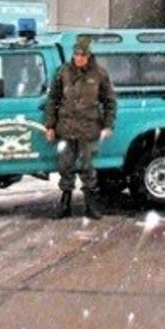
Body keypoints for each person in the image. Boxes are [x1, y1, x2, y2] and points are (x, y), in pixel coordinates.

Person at [45, 37, 117, 219]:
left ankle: (90, 205)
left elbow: (109, 101)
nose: (79, 58)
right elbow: (52, 100)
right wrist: (50, 126)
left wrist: (108, 125)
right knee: (65, 167)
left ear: (89, 55)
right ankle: (65, 203)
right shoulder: (63, 73)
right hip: (66, 128)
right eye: (76, 54)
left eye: (82, 55)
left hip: (88, 128)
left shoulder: (99, 74)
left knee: (88, 168)